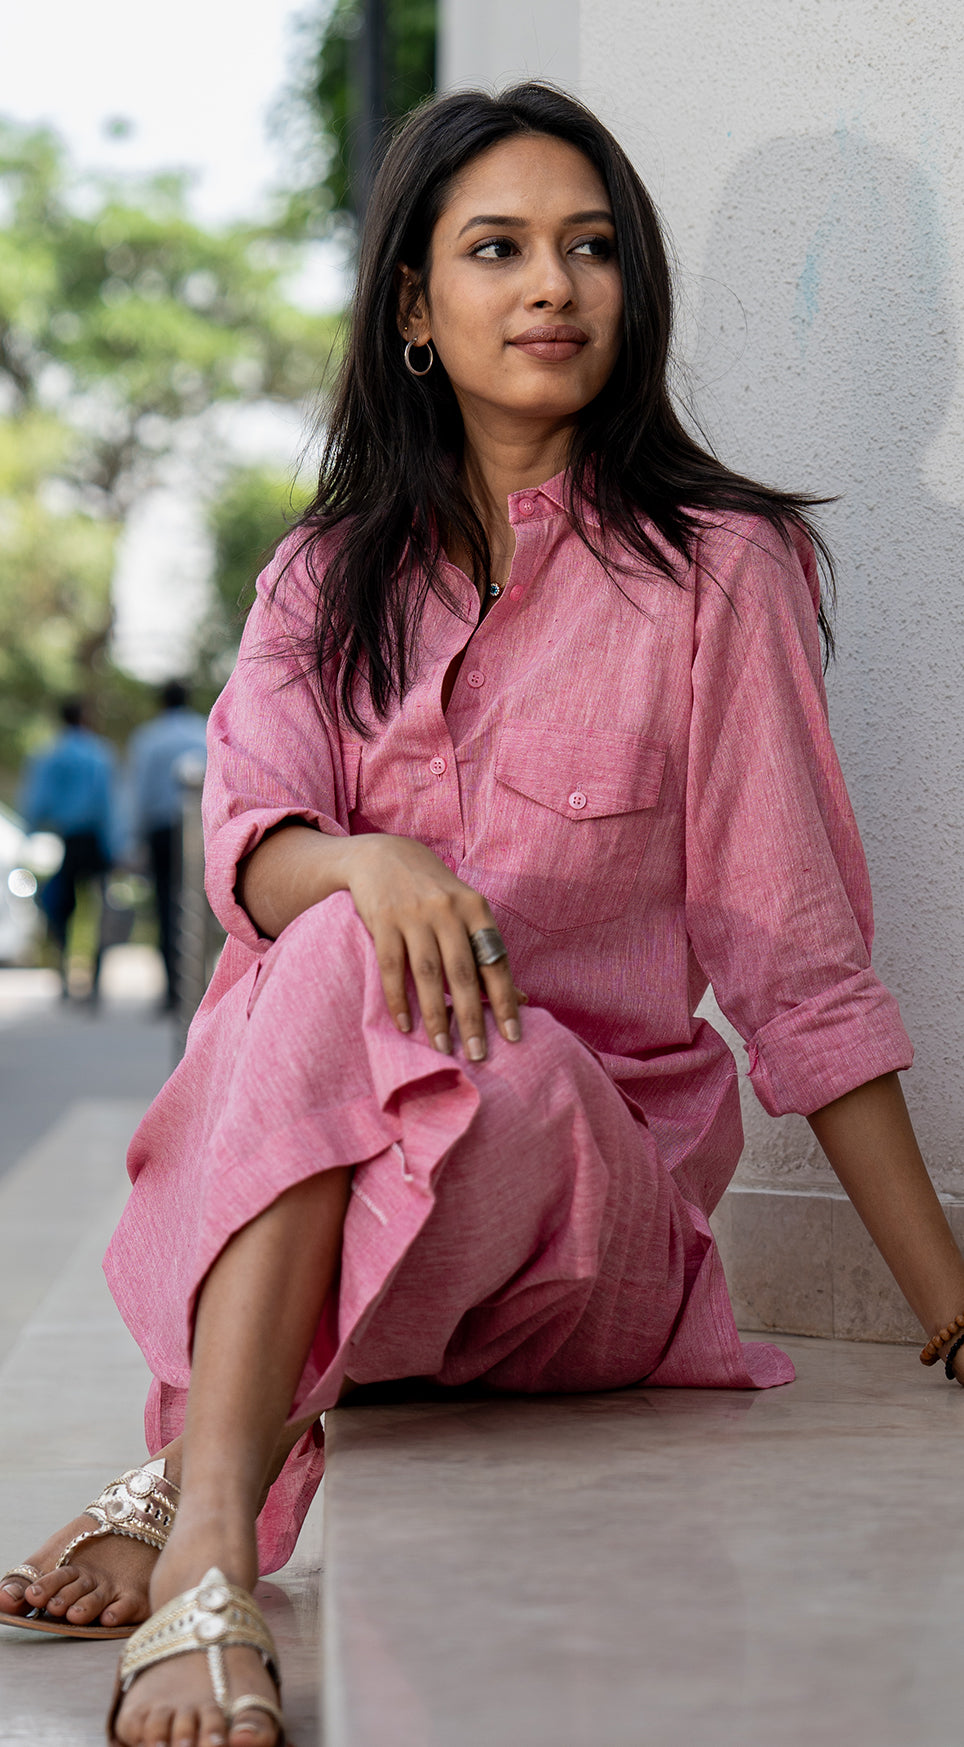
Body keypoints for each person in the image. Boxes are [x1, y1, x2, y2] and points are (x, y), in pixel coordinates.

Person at [2, 83, 962, 1747]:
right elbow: (251, 839)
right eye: (498, 249)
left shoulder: (717, 569)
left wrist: (946, 1301)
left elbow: (796, 961)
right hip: (375, 1214)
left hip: (578, 1220)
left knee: (379, 983)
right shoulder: (321, 577)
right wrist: (362, 863)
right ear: (414, 307)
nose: (552, 287)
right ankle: (223, 1486)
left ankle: (206, 1516)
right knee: (332, 931)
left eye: (590, 248)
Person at [18, 698, 117, 1001]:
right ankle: (95, 980)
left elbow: (37, 801)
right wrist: (115, 846)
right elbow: (109, 805)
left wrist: (30, 834)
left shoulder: (50, 755)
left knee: (60, 907)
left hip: (63, 839)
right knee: (98, 909)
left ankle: (63, 975)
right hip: (94, 840)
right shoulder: (99, 753)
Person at [124, 680, 209, 1011]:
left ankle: (173, 990)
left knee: (163, 906)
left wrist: (134, 841)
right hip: (199, 830)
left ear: (161, 702)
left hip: (161, 830)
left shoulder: (148, 738)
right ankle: (198, 987)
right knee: (198, 905)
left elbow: (139, 794)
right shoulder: (203, 731)